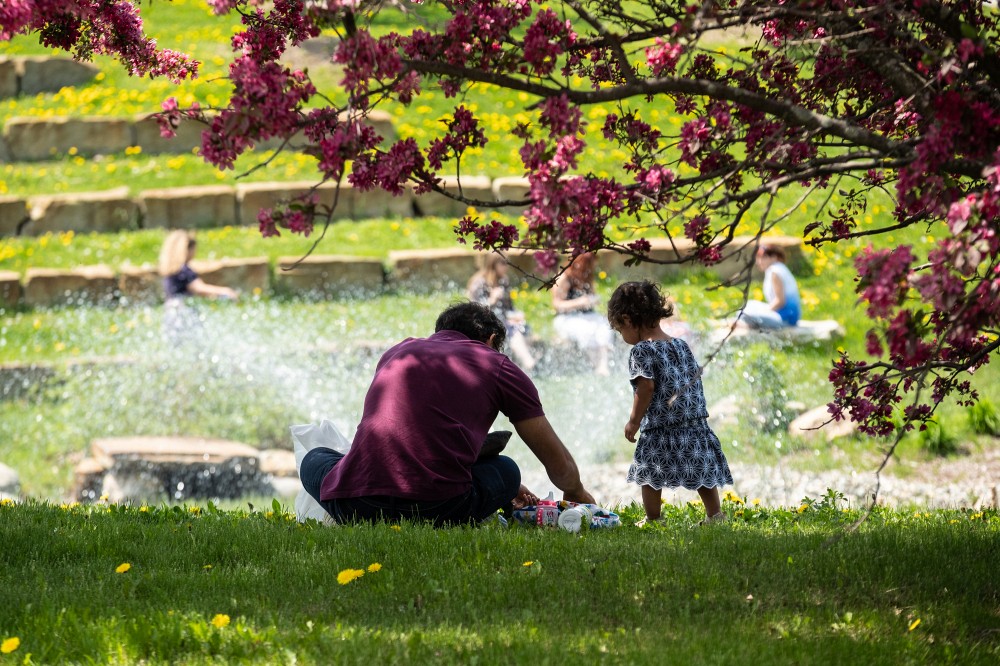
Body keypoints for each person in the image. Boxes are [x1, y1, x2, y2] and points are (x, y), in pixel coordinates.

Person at [298, 301, 596, 526]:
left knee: (315, 458)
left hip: (355, 505)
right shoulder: (497, 364)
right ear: (492, 340)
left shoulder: (399, 352)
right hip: (439, 508)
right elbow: (556, 461)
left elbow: (416, 432)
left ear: (441, 333)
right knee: (507, 469)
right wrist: (580, 495)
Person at [607, 280, 733, 527]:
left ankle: (653, 519)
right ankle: (715, 515)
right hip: (693, 421)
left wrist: (634, 421)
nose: (622, 336)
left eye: (619, 329)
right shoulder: (680, 344)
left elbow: (646, 387)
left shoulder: (642, 350)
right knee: (701, 471)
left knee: (649, 474)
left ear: (628, 320)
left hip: (661, 425)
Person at [158, 230, 239, 342]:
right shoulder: (184, 271)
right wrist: (225, 291)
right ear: (187, 249)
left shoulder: (170, 272)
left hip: (170, 313)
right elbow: (200, 288)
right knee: (198, 344)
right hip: (183, 313)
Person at [467, 252, 537, 373]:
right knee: (513, 330)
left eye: (508, 263)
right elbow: (474, 311)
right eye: (503, 263)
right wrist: (492, 300)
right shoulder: (479, 283)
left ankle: (522, 365)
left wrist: (515, 315)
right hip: (485, 324)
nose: (506, 267)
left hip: (504, 321)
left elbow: (509, 308)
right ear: (493, 264)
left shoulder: (504, 281)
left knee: (524, 329)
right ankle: (529, 363)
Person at [551, 252, 616, 375]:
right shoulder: (564, 277)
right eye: (588, 265)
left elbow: (592, 296)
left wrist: (593, 301)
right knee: (586, 330)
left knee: (605, 326)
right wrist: (578, 302)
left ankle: (603, 364)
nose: (590, 269)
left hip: (588, 315)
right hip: (566, 318)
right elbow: (557, 304)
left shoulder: (587, 276)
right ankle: (594, 364)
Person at [738, 244, 801, 329]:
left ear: (774, 258)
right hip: (785, 315)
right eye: (758, 257)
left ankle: (742, 326)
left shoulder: (775, 272)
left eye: (763, 257)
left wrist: (764, 312)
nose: (759, 261)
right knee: (748, 305)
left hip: (785, 319)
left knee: (744, 314)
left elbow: (780, 301)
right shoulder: (778, 268)